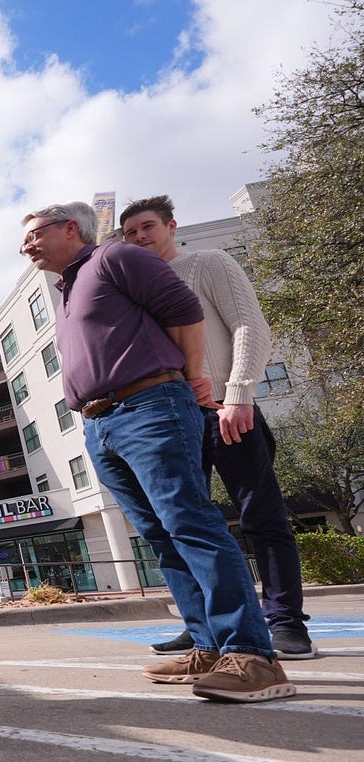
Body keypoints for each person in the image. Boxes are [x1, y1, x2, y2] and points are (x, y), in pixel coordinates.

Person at [21, 201, 293, 703]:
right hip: (102, 424)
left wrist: (194, 378)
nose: (27, 245)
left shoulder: (116, 258)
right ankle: (209, 646)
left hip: (150, 404)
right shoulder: (69, 288)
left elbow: (185, 311)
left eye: (37, 233)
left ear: (71, 229)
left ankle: (254, 656)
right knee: (161, 536)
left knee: (190, 522)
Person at [120, 195, 315, 660]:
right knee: (182, 525)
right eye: (130, 233)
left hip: (227, 410)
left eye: (148, 227)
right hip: (172, 419)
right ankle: (205, 624)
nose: (140, 237)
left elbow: (249, 325)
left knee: (261, 517)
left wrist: (239, 393)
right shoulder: (138, 291)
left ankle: (286, 623)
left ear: (171, 225)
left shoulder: (207, 263)